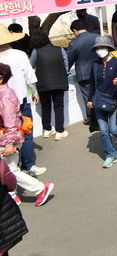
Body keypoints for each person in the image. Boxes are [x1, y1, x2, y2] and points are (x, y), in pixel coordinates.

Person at [0, 63, 54, 207]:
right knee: (9, 168)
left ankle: (40, 188)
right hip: (8, 137)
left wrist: (9, 143)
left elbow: (10, 122)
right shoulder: (4, 93)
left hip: (8, 138)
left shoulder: (4, 97)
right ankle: (13, 196)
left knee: (10, 170)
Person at [0, 25, 44, 177]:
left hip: (1, 104)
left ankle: (9, 168)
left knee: (4, 134)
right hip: (19, 100)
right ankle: (28, 165)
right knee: (25, 132)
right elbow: (29, 77)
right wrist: (35, 92)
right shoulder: (19, 55)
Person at [88, 35, 117, 168]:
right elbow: (92, 84)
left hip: (114, 101)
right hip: (98, 101)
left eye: (102, 47)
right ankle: (110, 155)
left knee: (114, 129)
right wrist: (90, 100)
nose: (100, 50)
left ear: (108, 48)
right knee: (103, 131)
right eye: (97, 48)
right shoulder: (95, 65)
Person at [28, 33, 69, 141]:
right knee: (59, 106)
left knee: (45, 107)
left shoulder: (36, 51)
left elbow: (30, 65)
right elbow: (66, 64)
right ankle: (60, 131)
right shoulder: (59, 49)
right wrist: (65, 73)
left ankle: (47, 129)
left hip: (43, 83)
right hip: (59, 82)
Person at [67, 19, 98, 125]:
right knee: (100, 91)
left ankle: (92, 118)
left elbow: (68, 60)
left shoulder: (74, 43)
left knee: (88, 96)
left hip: (84, 73)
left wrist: (65, 70)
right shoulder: (97, 37)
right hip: (99, 70)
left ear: (75, 30)